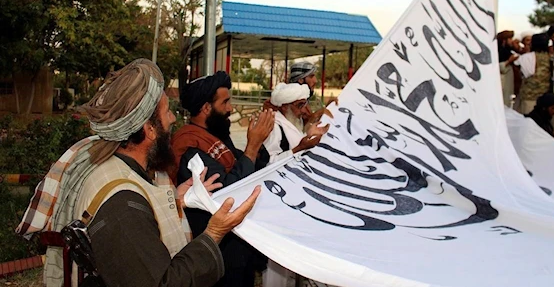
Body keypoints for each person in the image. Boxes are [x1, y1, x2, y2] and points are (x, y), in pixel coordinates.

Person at [16, 59, 261, 287]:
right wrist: (214, 233)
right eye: (167, 113)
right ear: (149, 130)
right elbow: (163, 281)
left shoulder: (118, 165)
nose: (173, 119)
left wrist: (178, 200)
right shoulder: (122, 207)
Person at [172, 71, 274, 287]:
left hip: (237, 249)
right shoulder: (191, 146)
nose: (230, 108)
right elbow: (227, 193)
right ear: (206, 108)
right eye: (225, 102)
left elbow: (253, 163)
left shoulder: (217, 136)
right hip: (219, 255)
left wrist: (258, 139)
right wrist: (252, 146)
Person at [262, 83, 330, 164]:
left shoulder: (294, 119)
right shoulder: (274, 126)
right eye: (299, 105)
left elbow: (297, 139)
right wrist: (299, 148)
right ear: (285, 107)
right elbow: (268, 162)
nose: (303, 110)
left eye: (304, 104)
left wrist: (309, 133)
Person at [519, 33, 553, 114]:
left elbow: (526, 73)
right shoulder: (551, 58)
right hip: (545, 97)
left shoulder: (527, 57)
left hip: (530, 97)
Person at [497, 31, 520, 107]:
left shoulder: (508, 51)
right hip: (503, 83)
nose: (511, 41)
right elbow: (498, 68)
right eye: (510, 38)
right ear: (504, 40)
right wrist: (509, 61)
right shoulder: (499, 52)